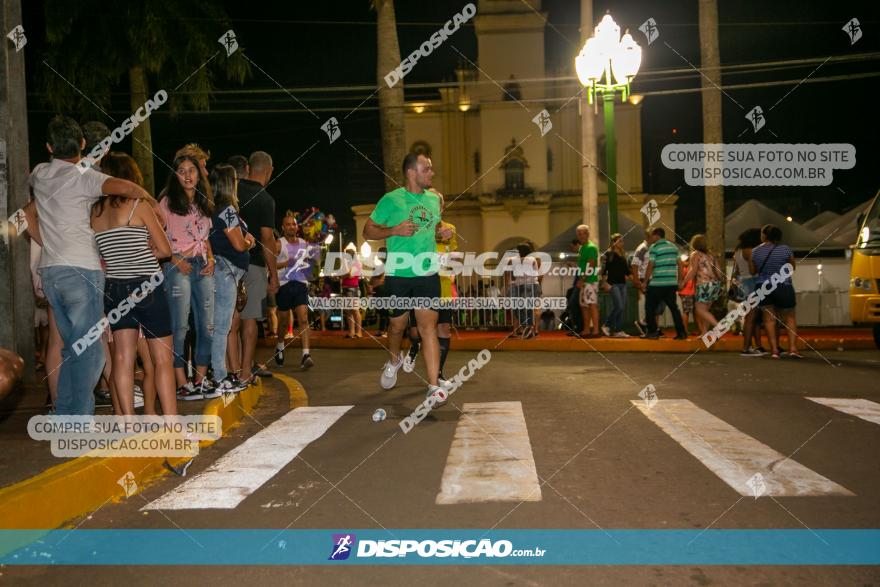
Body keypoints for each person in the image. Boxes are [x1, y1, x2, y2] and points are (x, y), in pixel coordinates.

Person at [31, 116, 154, 415]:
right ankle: (76, 421)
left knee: (69, 347)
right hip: (82, 270)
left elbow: (25, 215)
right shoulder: (86, 177)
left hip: (52, 271)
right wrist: (150, 201)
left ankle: (64, 414)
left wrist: (48, 241)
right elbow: (126, 187)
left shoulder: (39, 174)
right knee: (90, 352)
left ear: (48, 146)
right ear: (83, 144)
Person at [362, 153, 453, 403]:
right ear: (412, 172)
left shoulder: (434, 200)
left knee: (428, 328)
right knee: (397, 326)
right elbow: (367, 230)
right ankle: (393, 360)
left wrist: (440, 232)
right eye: (427, 169)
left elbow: (431, 228)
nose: (432, 174)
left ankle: (433, 386)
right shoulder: (391, 200)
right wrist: (394, 230)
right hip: (398, 274)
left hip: (427, 274)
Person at [91, 152, 176, 415]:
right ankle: (172, 424)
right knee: (162, 359)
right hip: (146, 285)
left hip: (114, 288)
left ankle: (126, 424)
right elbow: (165, 250)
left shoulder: (94, 213)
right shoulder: (139, 206)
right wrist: (147, 248)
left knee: (122, 358)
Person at [158, 153, 218, 400]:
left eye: (191, 170)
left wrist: (212, 259)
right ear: (175, 175)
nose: (187, 175)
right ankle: (181, 382)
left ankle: (201, 380)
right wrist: (173, 259)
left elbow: (205, 238)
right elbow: (153, 237)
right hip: (178, 267)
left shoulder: (204, 201)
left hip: (203, 265)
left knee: (207, 325)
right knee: (180, 326)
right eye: (181, 171)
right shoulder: (166, 201)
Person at [208, 164, 254, 392]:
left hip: (225, 271)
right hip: (225, 271)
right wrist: (249, 242)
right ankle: (219, 375)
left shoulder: (216, 208)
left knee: (223, 324)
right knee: (222, 325)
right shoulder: (226, 209)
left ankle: (222, 372)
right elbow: (238, 244)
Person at [234, 151, 278, 382]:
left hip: (227, 262)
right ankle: (244, 372)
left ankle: (232, 367)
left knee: (230, 318)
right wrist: (274, 274)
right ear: (269, 172)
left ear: (249, 169)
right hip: (254, 264)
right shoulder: (265, 199)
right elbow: (267, 238)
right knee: (250, 318)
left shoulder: (232, 192)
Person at [274, 213, 319, 369]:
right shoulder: (278, 244)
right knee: (284, 322)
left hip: (300, 283)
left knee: (304, 318)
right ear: (283, 227)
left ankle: (306, 354)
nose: (292, 227)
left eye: (294, 224)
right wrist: (286, 263)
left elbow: (307, 264)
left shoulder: (303, 243)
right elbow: (270, 265)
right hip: (284, 284)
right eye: (288, 224)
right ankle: (280, 345)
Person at [750, 224, 801, 359]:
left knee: (769, 319)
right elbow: (792, 267)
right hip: (783, 285)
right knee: (789, 317)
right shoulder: (785, 249)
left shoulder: (755, 251)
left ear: (765, 235)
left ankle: (774, 351)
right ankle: (793, 349)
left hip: (763, 286)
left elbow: (752, 271)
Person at [642, 228, 687, 340]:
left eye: (652, 236)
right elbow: (680, 265)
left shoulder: (654, 247)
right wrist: (680, 281)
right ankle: (681, 333)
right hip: (671, 283)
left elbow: (650, 265)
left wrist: (645, 282)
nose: (651, 238)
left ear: (657, 236)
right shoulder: (674, 247)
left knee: (649, 307)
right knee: (674, 308)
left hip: (657, 283)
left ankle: (652, 332)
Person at [680, 234, 723, 337]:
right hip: (714, 285)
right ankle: (704, 332)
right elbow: (719, 271)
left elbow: (692, 271)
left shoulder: (695, 254)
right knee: (706, 311)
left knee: (699, 310)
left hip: (703, 285)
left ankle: (719, 327)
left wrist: (684, 281)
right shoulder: (710, 255)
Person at [732, 228, 766, 357]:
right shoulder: (750, 251)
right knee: (751, 317)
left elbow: (736, 271)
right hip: (752, 282)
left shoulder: (738, 251)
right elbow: (754, 269)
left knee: (754, 317)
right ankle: (746, 348)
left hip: (743, 283)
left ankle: (756, 346)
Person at [600, 233, 630, 337]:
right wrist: (603, 282)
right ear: (614, 242)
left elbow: (627, 271)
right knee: (619, 306)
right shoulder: (608, 255)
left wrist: (635, 278)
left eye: (622, 240)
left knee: (621, 307)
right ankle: (606, 325)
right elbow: (603, 270)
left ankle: (618, 330)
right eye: (620, 240)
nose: (622, 242)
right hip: (613, 284)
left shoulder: (623, 254)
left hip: (623, 284)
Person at [575, 225, 600, 338]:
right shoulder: (581, 248)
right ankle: (586, 330)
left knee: (591, 304)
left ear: (587, 234)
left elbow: (591, 264)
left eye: (582, 233)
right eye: (578, 234)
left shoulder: (591, 247)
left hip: (590, 281)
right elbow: (583, 264)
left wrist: (582, 279)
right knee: (584, 305)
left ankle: (595, 331)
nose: (580, 236)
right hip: (584, 281)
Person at [513, 242, 541, 339]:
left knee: (528, 308)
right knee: (519, 308)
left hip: (530, 285)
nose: (517, 253)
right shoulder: (518, 260)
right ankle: (528, 328)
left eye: (518, 251)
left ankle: (530, 329)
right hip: (521, 285)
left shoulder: (531, 259)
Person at [341, 243, 364, 338]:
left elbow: (349, 274)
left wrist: (345, 264)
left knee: (355, 310)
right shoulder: (348, 264)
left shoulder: (357, 264)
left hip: (353, 289)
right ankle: (351, 332)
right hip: (346, 288)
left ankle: (359, 332)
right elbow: (343, 275)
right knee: (348, 311)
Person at [677, 255, 696, 333]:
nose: (687, 262)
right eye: (685, 261)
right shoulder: (683, 269)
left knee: (688, 311)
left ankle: (687, 329)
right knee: (686, 311)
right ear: (681, 262)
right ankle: (684, 330)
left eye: (688, 260)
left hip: (687, 292)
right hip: (686, 292)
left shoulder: (684, 269)